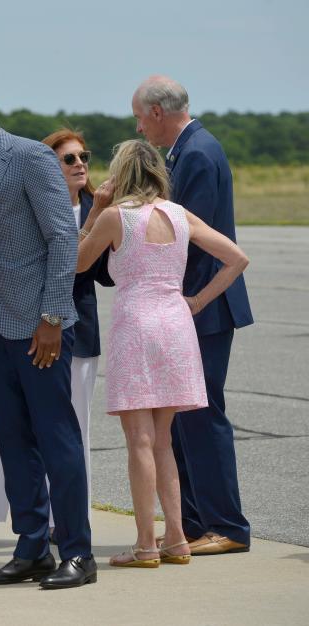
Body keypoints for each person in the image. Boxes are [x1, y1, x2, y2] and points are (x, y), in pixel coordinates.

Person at [0, 83, 95, 589]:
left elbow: (63, 236)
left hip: (39, 326)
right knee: (12, 439)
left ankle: (77, 553)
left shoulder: (29, 157)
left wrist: (52, 317)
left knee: (57, 438)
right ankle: (31, 550)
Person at [77, 139, 249, 567]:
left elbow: (78, 263)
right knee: (164, 442)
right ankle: (175, 538)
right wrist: (197, 301)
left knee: (140, 441)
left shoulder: (118, 217)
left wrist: (96, 209)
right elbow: (236, 257)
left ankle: (145, 544)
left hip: (136, 326)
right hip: (176, 324)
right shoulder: (179, 214)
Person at [132, 76, 254, 556]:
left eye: (140, 117)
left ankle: (227, 526)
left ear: (158, 112)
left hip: (202, 307)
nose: (139, 127)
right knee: (181, 419)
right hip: (187, 308)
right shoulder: (186, 151)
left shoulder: (197, 153)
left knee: (202, 417)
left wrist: (184, 301)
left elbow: (193, 243)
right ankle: (197, 522)